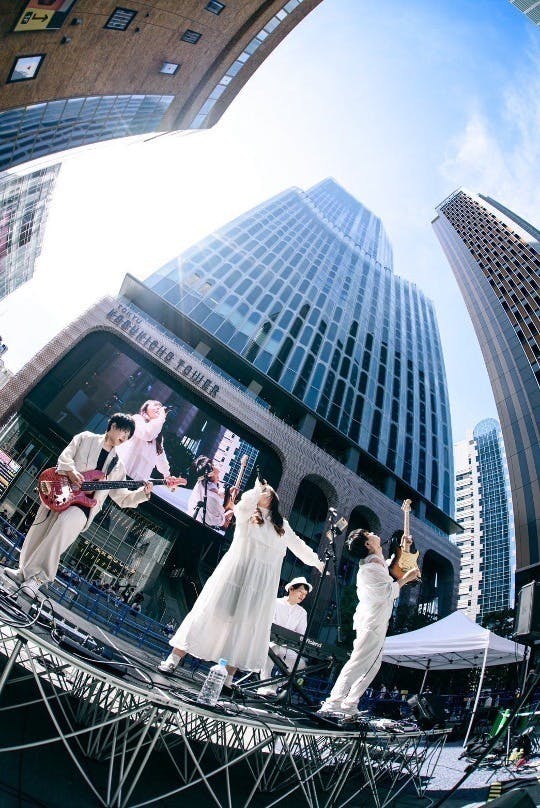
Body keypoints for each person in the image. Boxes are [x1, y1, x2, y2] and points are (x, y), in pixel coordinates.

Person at [158, 479, 324, 686]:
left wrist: (317, 562)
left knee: (244, 628)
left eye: (268, 491)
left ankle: (227, 679)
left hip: (261, 583)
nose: (265, 493)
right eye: (263, 491)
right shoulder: (247, 513)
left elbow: (298, 545)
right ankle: (174, 659)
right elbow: (244, 504)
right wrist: (257, 488)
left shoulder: (282, 525)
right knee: (208, 613)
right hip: (236, 573)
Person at [1, 414, 153, 599]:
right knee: (38, 532)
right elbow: (65, 457)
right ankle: (23, 572)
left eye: (128, 436)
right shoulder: (85, 438)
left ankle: (39, 579)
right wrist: (71, 470)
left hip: (83, 507)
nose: (125, 437)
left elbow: (122, 498)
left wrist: (143, 493)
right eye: (124, 431)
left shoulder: (117, 466)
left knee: (63, 526)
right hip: (60, 492)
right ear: (113, 426)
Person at [318, 528, 420, 717]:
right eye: (368, 533)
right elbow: (386, 592)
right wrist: (407, 578)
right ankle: (333, 704)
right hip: (372, 622)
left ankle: (349, 704)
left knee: (371, 665)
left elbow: (392, 568)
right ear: (368, 544)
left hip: (377, 622)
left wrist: (403, 547)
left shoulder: (376, 564)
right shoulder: (370, 569)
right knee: (359, 663)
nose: (373, 532)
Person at [257, 576, 311, 696]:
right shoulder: (276, 602)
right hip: (269, 642)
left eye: (305, 594)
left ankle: (275, 686)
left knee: (301, 664)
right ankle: (264, 685)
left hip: (287, 647)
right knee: (272, 649)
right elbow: (270, 625)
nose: (302, 596)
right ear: (291, 589)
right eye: (300, 592)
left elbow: (300, 635)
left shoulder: (302, 613)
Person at [116, 400, 178, 486]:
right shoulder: (137, 419)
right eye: (155, 405)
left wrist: (167, 475)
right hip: (119, 474)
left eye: (160, 407)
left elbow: (161, 458)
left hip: (137, 483)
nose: (159, 408)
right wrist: (161, 418)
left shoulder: (158, 437)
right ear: (145, 408)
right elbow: (147, 433)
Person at [187, 456, 236, 530]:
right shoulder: (210, 497)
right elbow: (220, 522)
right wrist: (230, 512)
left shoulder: (203, 483)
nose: (216, 465)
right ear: (210, 473)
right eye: (213, 465)